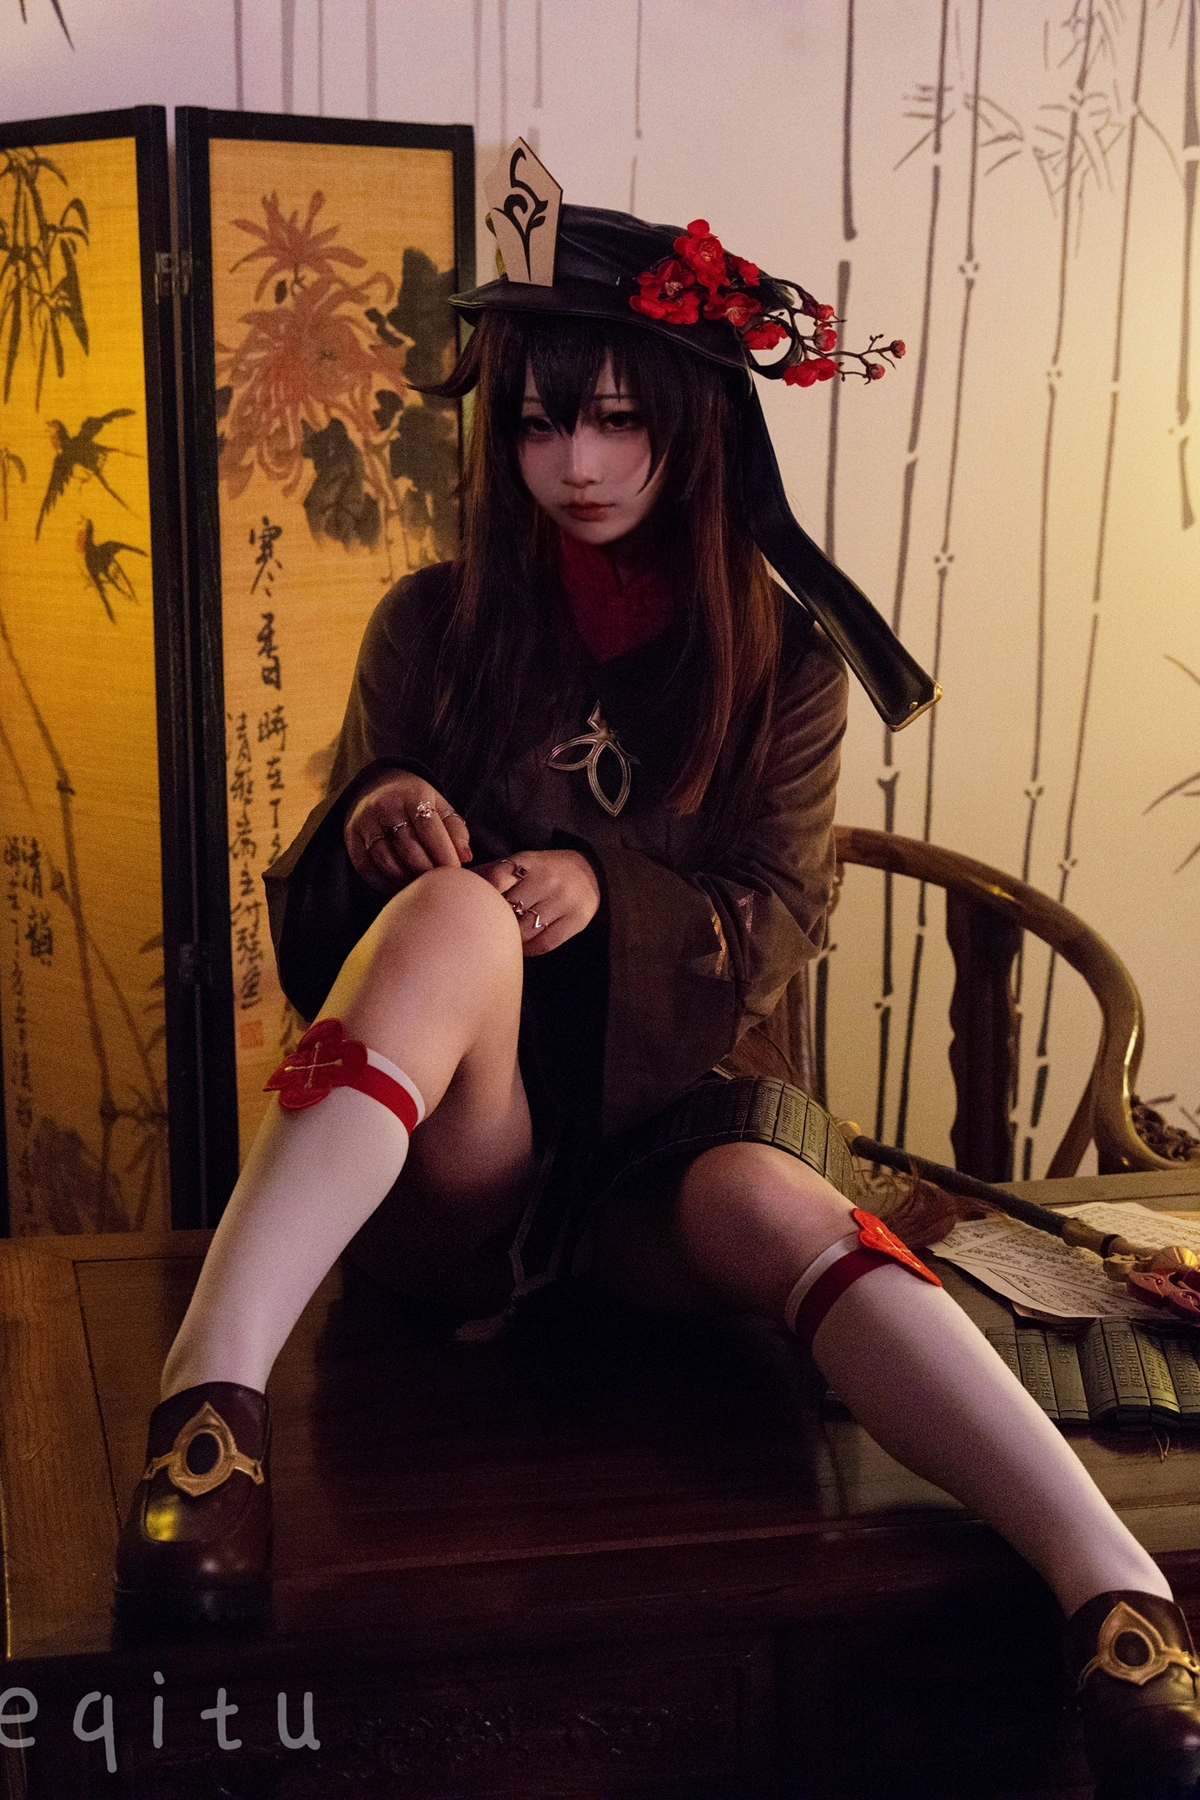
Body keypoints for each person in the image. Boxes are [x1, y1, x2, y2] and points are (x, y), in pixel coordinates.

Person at [116, 157, 1200, 1796]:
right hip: (465, 1159)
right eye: (541, 422)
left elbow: (776, 918)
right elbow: (352, 871)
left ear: (695, 425)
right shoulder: (430, 621)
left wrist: (600, 885)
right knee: (454, 917)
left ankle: (1114, 1593)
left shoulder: (785, 666)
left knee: (777, 1198)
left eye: (618, 421)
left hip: (668, 1140)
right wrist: (382, 805)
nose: (576, 462)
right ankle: (207, 1414)